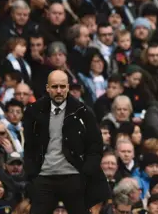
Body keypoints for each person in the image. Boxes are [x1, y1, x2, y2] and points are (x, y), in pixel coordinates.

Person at [23, 70, 110, 214]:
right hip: (44, 177)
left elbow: (95, 145)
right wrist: (32, 174)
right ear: (47, 88)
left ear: (68, 88)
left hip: (74, 176)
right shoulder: (34, 111)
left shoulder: (83, 112)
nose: (59, 91)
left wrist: (86, 172)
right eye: (55, 86)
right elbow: (30, 146)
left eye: (62, 87)